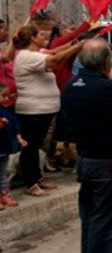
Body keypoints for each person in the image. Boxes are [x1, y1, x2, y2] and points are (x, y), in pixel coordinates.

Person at [62, 38, 112, 253]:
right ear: (106, 62)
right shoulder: (109, 88)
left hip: (85, 159)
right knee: (106, 222)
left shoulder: (70, 85)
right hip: (106, 162)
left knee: (89, 218)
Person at [13, 25, 82, 196]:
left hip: (43, 109)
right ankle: (30, 182)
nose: (44, 36)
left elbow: (54, 51)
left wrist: (75, 42)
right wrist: (78, 46)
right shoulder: (27, 56)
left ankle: (37, 177)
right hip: (33, 110)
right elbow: (56, 59)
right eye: (40, 34)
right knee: (30, 147)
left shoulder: (36, 53)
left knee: (36, 146)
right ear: (32, 38)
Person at [0, 84, 27, 209]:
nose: (6, 99)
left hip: (4, 147)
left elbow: (15, 125)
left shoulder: (7, 111)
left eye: (7, 96)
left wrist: (19, 138)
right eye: (3, 96)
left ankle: (4, 194)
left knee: (3, 172)